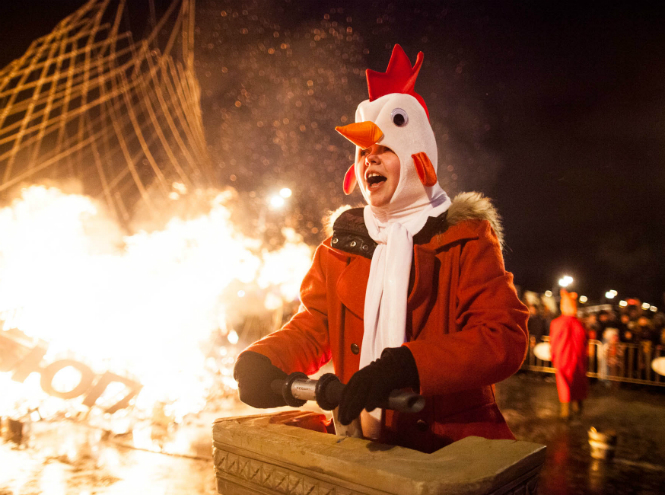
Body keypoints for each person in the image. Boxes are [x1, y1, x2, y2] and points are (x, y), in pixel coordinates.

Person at [233, 45, 529, 453]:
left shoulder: (465, 238)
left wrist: (409, 364)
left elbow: (503, 339)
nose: (369, 158)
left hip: (442, 446)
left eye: (385, 149)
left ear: (416, 159)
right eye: (363, 153)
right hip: (360, 442)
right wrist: (266, 358)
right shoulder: (341, 245)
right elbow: (315, 326)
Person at [549, 289, 588, 419]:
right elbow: (585, 341)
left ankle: (565, 411)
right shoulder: (579, 323)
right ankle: (578, 407)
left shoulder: (556, 323)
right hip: (578, 358)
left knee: (564, 382)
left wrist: (553, 355)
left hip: (562, 358)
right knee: (578, 381)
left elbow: (553, 341)